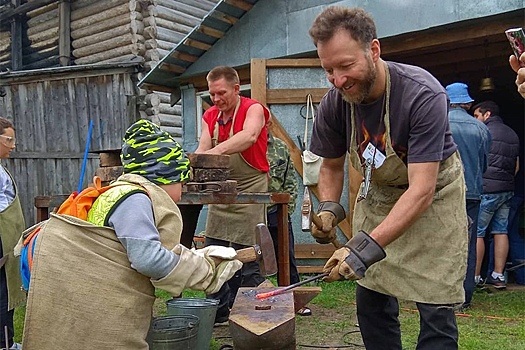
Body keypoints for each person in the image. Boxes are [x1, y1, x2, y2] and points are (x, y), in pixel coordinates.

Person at [308, 7, 468, 349]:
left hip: (433, 197)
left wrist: (363, 248)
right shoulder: (334, 105)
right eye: (328, 70)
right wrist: (328, 209)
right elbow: (332, 167)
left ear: (374, 50)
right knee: (372, 300)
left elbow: (422, 189)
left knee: (436, 308)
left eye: (346, 66)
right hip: (380, 196)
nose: (338, 80)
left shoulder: (422, 94)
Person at [20, 119, 242, 350]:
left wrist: (196, 256)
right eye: (181, 183)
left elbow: (135, 247)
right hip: (103, 310)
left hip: (94, 300)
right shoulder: (135, 199)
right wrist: (205, 272)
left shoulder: (118, 193)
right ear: (164, 177)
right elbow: (148, 259)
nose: (182, 191)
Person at [194, 66, 271, 323]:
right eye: (212, 94)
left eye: (221, 93)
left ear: (237, 89)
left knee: (248, 253)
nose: (216, 99)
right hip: (221, 191)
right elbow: (203, 148)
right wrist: (192, 164)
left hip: (250, 187)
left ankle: (248, 313)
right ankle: (217, 311)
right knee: (214, 252)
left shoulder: (253, 109)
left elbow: (248, 137)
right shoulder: (210, 116)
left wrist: (214, 154)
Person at [445, 83, 491, 308]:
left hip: (442, 193)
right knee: (468, 243)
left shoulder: (438, 123)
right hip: (471, 192)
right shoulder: (481, 128)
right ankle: (464, 296)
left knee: (440, 241)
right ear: (467, 103)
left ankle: (439, 294)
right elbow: (484, 164)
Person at [473, 101, 520, 289]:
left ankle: (475, 277)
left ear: (487, 114)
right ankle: (498, 275)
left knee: (478, 233)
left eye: (477, 115)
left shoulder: (484, 132)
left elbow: (478, 162)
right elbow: (516, 166)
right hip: (507, 190)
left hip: (487, 190)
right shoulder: (512, 133)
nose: (475, 120)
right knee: (501, 231)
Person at [266, 131, 311, 315]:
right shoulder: (243, 146)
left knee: (286, 257)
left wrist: (287, 210)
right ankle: (250, 303)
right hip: (251, 212)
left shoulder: (280, 147)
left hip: (277, 211)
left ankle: (294, 302)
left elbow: (290, 180)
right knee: (251, 263)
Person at [0, 117, 24, 350]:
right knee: (3, 292)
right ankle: (3, 344)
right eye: (9, 139)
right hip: (0, 239)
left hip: (6, 236)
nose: (13, 145)